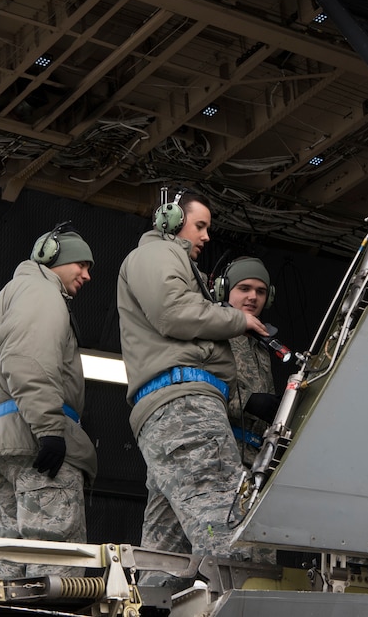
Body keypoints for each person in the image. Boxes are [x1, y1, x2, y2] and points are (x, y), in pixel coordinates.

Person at [117, 191, 269, 575]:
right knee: (226, 523)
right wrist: (237, 320)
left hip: (171, 413)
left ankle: (153, 599)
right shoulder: (159, 254)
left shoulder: (169, 262)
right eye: (199, 226)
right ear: (169, 219)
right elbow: (173, 312)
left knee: (165, 553)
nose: (205, 236)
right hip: (187, 409)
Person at [0, 223, 99, 579]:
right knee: (55, 566)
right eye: (81, 264)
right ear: (51, 257)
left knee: (12, 563)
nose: (87, 275)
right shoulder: (41, 292)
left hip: (5, 444)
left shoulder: (14, 293)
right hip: (35, 443)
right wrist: (50, 429)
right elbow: (27, 360)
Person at [215, 257, 280, 468]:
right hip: (217, 455)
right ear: (224, 290)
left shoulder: (262, 345)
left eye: (261, 291)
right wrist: (246, 402)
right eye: (244, 288)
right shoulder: (210, 331)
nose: (253, 297)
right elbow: (194, 390)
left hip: (253, 462)